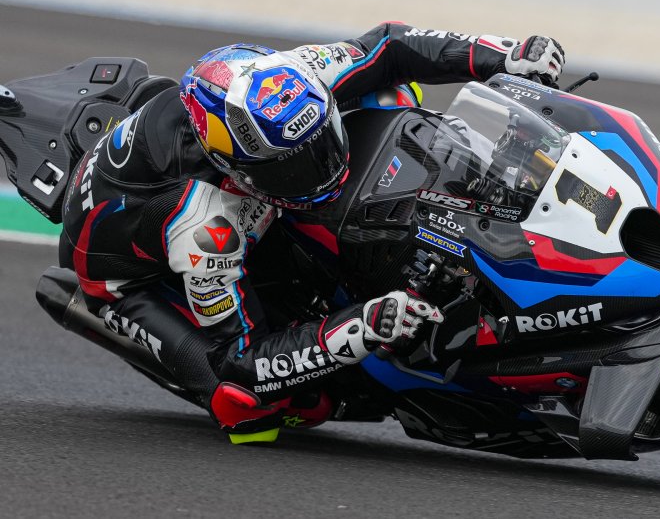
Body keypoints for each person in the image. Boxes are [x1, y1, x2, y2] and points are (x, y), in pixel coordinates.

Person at [58, 22, 566, 442]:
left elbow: (391, 45)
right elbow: (241, 360)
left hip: (225, 186)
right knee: (251, 405)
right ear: (236, 170)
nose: (322, 169)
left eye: (322, 142)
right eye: (292, 169)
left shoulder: (293, 77)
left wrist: (504, 55)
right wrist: (363, 325)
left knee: (389, 92)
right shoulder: (205, 227)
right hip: (127, 279)